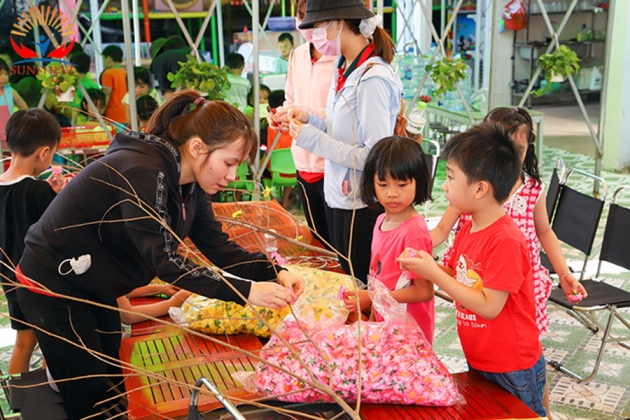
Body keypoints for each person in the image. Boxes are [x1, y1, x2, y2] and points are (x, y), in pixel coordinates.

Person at [15, 91, 305, 419]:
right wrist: (247, 291)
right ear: (197, 148)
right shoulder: (142, 170)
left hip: (94, 285)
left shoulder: (190, 185)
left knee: (111, 380)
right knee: (89, 392)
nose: (232, 176)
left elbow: (219, 247)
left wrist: (274, 272)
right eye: (229, 163)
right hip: (54, 283)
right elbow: (165, 261)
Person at [430, 107, 587, 418]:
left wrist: (563, 272)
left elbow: (544, 231)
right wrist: (420, 256)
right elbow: (450, 253)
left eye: (449, 177)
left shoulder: (509, 228)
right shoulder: (471, 220)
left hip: (512, 347)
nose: (444, 186)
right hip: (484, 351)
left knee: (526, 402)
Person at [398, 122, 547, 418]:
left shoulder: (505, 240)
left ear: (480, 189)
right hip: (481, 358)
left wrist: (433, 273)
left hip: (512, 366)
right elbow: (459, 276)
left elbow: (489, 306)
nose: (444, 186)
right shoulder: (469, 226)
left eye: (451, 177)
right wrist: (427, 267)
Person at [281, 0, 403, 282]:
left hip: (361, 200)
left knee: (359, 281)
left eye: (319, 26)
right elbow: (342, 130)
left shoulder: (372, 79)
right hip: (340, 193)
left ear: (339, 23)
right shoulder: (344, 67)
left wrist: (314, 140)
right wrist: (310, 120)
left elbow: (376, 155)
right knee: (344, 273)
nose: (315, 35)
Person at [344, 136, 435, 343]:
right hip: (384, 325)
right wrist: (372, 313)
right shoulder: (380, 221)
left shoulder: (413, 231)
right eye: (383, 184)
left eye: (402, 184)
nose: (392, 193)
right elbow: (377, 277)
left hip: (409, 333)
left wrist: (372, 297)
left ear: (419, 182)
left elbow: (424, 291)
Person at [0, 109, 65, 374]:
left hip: (10, 278)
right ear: (44, 153)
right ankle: (53, 391)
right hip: (40, 282)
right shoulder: (38, 192)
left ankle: (19, 396)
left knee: (24, 342)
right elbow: (56, 233)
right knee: (53, 340)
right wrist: (57, 197)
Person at [268, 0, 336, 247]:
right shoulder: (297, 55)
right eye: (301, 15)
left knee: (338, 243)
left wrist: (305, 113)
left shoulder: (341, 57)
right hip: (302, 160)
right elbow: (291, 100)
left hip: (332, 163)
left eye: (313, 17)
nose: (307, 23)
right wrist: (282, 116)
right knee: (317, 239)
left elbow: (345, 115)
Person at [0, 58, 28, 144]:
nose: (4, 77)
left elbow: (24, 107)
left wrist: (19, 122)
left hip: (10, 132)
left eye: (6, 74)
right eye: (0, 74)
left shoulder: (10, 90)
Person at [100, 45, 128, 125]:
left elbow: (106, 94)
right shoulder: (125, 72)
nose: (103, 63)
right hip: (126, 114)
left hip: (113, 115)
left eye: (104, 59)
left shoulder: (108, 73)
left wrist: (101, 111)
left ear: (109, 59)